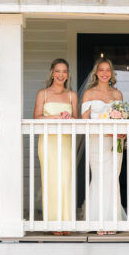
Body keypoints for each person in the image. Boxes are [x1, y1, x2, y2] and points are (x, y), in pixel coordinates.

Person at [80, 58, 126, 233]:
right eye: (101, 70)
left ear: (112, 73)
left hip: (116, 142)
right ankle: (97, 220)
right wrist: (105, 130)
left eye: (108, 70)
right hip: (97, 142)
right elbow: (85, 122)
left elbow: (123, 119)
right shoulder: (89, 93)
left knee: (113, 177)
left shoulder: (118, 94)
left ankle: (112, 220)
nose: (105, 73)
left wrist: (122, 132)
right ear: (96, 72)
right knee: (100, 177)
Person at [34, 59, 78, 232]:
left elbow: (77, 121)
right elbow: (36, 117)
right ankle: (53, 222)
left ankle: (66, 221)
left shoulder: (72, 95)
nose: (61, 74)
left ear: (68, 74)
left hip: (65, 141)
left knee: (65, 179)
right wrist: (54, 117)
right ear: (52, 73)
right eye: (58, 71)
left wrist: (69, 117)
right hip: (48, 141)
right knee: (51, 180)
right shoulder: (43, 93)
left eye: (64, 71)